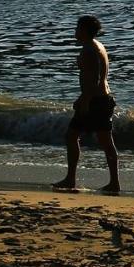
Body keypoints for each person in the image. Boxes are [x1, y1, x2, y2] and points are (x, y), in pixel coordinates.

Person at [53, 14, 120, 194]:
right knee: (103, 141)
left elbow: (95, 80)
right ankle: (112, 182)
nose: (75, 31)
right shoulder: (98, 46)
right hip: (101, 99)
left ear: (83, 30)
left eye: (77, 28)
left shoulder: (89, 49)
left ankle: (71, 179)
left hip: (95, 101)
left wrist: (84, 101)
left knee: (73, 136)